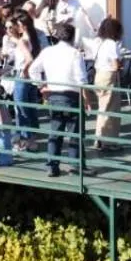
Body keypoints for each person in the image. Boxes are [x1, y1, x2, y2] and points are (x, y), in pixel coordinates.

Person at [27, 22, 86, 177]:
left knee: (55, 132)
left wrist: (41, 86)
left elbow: (33, 69)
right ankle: (75, 165)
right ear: (72, 37)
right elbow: (81, 80)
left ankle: (52, 167)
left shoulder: (48, 51)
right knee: (75, 133)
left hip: (54, 95)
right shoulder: (75, 53)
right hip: (72, 95)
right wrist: (87, 99)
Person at [5, 13, 43, 149]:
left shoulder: (23, 41)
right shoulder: (33, 39)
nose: (16, 28)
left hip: (22, 77)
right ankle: (31, 139)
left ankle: (25, 140)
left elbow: (29, 59)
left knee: (21, 110)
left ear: (23, 26)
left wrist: (25, 70)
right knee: (30, 107)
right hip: (30, 79)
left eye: (18, 25)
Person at [91, 17, 125, 152]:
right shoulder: (111, 43)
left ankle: (99, 139)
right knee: (111, 110)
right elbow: (116, 64)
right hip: (109, 76)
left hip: (99, 75)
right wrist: (120, 64)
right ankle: (109, 142)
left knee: (102, 108)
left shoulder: (100, 42)